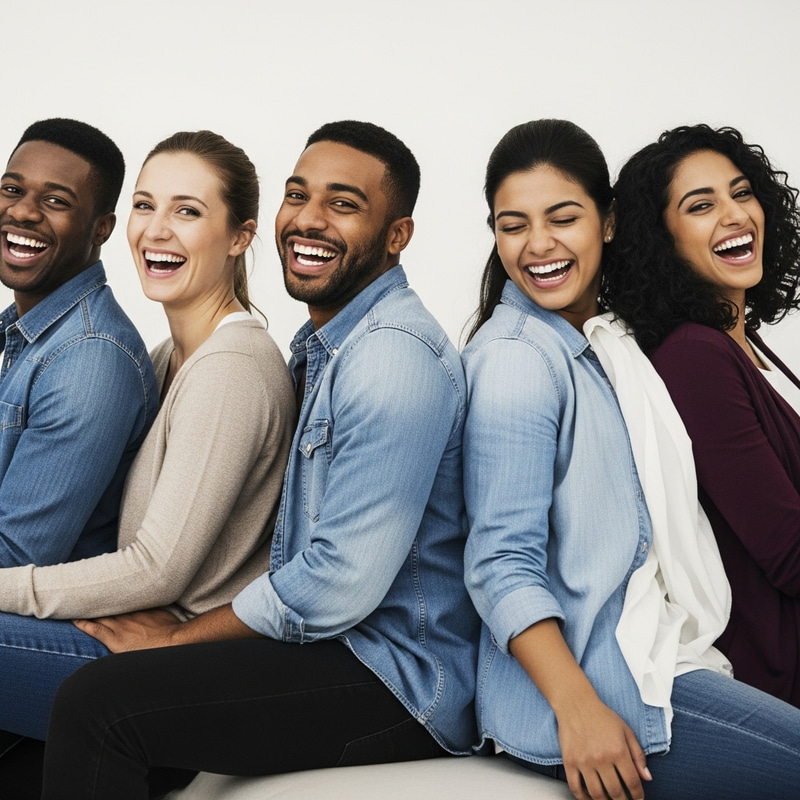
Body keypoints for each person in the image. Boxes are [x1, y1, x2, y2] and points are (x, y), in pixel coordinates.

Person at [39, 120, 479, 800]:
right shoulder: (321, 344)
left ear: (398, 237)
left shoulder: (392, 357)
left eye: (344, 203)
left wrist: (182, 643)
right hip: (329, 647)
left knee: (100, 707)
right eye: (298, 194)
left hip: (393, 678)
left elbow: (338, 581)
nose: (308, 219)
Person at [462, 119, 800, 800]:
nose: (538, 245)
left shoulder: (601, 347)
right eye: (512, 225)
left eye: (563, 217)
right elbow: (499, 562)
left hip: (664, 655)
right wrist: (579, 709)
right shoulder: (518, 361)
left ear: (608, 224)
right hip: (615, 685)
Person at [0, 130, 295, 787]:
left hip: (166, 678)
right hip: (119, 645)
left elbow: (159, 568)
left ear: (240, 236)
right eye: (145, 205)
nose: (156, 231)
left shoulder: (233, 369)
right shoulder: (169, 359)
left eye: (187, 211)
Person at [602, 124, 800, 708]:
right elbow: (788, 553)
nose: (734, 215)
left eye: (741, 194)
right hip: (777, 668)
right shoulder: (695, 356)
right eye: (700, 205)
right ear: (660, 238)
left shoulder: (748, 343)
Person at [0, 118, 158, 568]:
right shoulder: (25, 335)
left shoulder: (89, 358)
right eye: (12, 189)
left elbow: (16, 557)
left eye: (55, 200)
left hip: (43, 625)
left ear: (101, 228)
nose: (24, 212)